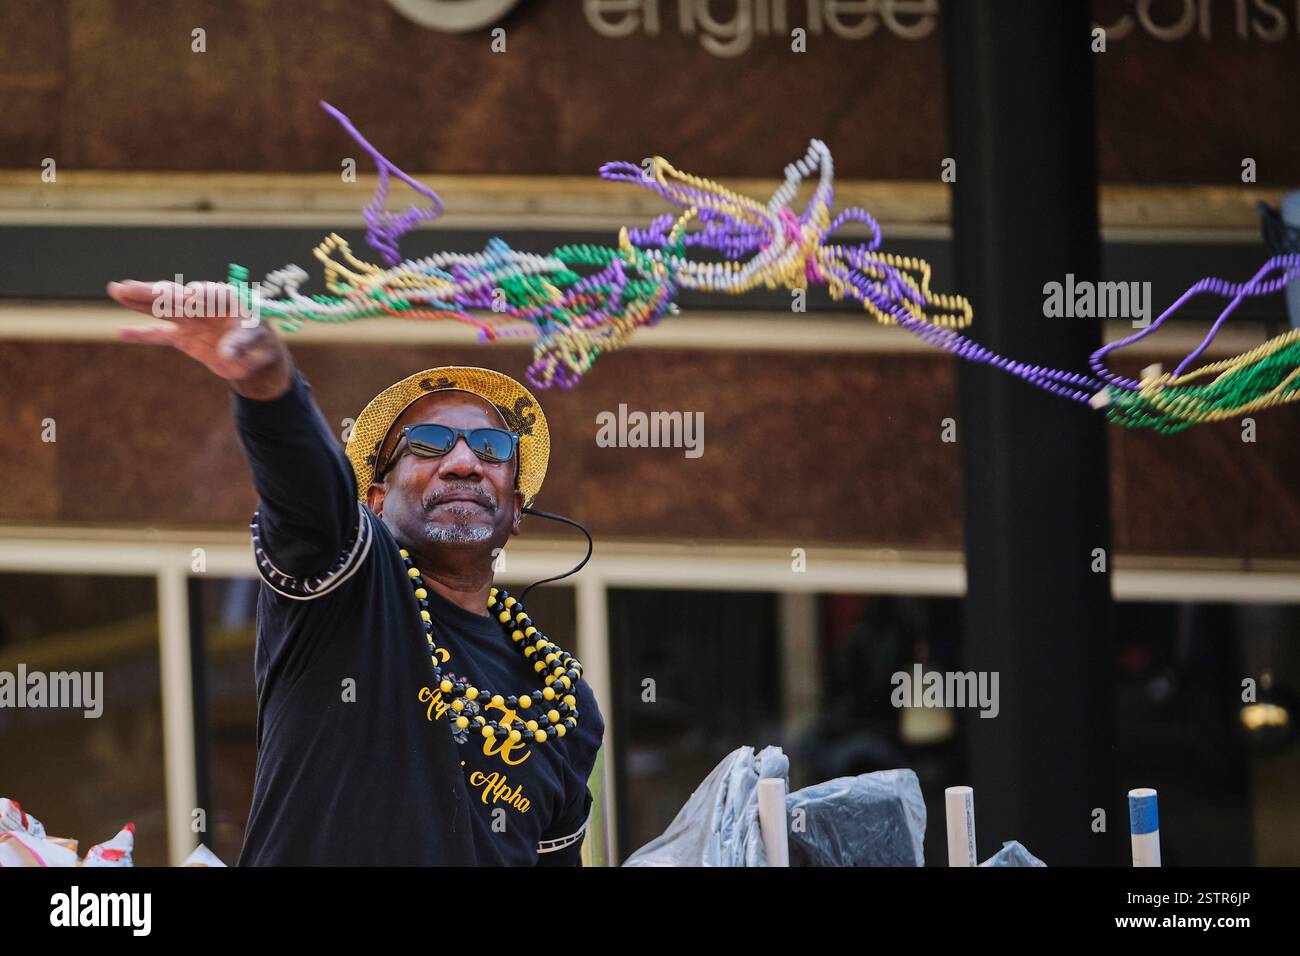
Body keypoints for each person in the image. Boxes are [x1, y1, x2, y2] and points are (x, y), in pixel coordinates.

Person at [108, 279, 604, 866]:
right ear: (373, 501)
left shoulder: (562, 701)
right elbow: (310, 497)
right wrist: (270, 385)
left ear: (517, 510)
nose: (465, 463)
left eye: (493, 448)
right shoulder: (352, 590)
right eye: (429, 444)